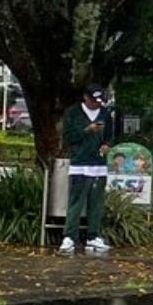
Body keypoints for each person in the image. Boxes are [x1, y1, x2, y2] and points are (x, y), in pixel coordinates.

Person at [60, 84, 114, 254]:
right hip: (79, 163)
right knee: (76, 201)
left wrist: (106, 145)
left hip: (98, 163)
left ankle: (93, 235)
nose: (96, 104)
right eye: (93, 100)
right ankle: (70, 236)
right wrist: (86, 130)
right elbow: (68, 137)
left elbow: (109, 136)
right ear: (85, 98)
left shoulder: (105, 114)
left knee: (96, 202)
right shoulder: (73, 113)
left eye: (99, 101)